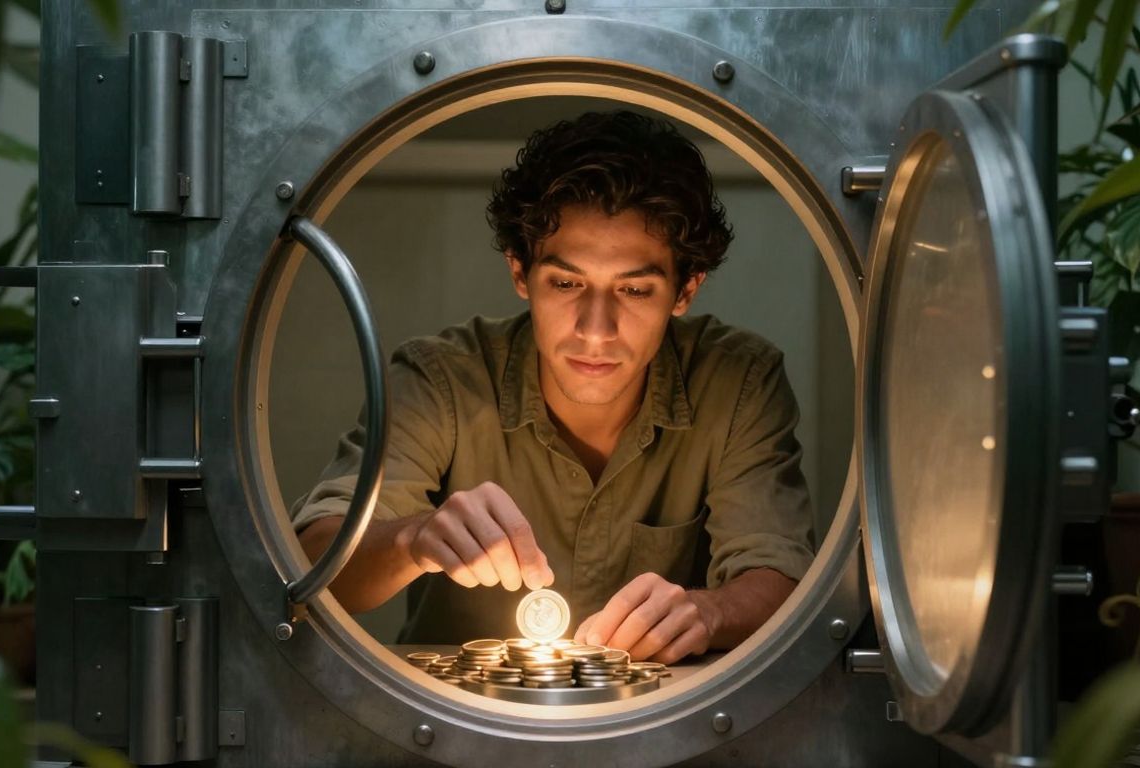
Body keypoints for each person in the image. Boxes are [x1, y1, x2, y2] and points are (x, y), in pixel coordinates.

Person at [293, 110, 815, 664]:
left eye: (635, 290)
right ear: (520, 273)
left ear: (684, 292)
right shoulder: (441, 380)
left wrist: (709, 612)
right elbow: (311, 564)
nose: (596, 330)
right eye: (566, 283)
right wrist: (412, 540)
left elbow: (781, 576)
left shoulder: (737, 382)